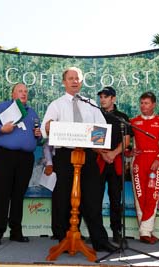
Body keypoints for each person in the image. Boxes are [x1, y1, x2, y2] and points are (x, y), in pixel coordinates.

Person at [40, 67, 117, 252]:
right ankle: (64, 238)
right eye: (71, 78)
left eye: (77, 79)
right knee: (64, 197)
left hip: (88, 155)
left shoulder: (90, 104)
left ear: (81, 82)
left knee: (92, 197)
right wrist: (50, 126)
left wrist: (101, 149)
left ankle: (99, 240)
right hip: (65, 156)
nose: (74, 81)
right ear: (64, 82)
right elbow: (45, 128)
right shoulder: (56, 105)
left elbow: (101, 129)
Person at [0, 83, 41, 245]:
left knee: (18, 196)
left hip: (26, 159)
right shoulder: (3, 108)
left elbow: (39, 137)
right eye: (20, 91)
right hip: (4, 156)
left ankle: (16, 231)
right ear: (13, 94)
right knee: (2, 194)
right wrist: (2, 128)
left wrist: (38, 134)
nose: (23, 94)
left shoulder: (32, 113)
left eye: (26, 91)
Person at [96, 86, 132, 244]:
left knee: (116, 199)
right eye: (101, 97)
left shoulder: (122, 117)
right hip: (99, 160)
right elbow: (92, 139)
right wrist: (103, 154)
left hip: (115, 161)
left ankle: (117, 231)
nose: (103, 99)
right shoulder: (95, 115)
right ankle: (97, 232)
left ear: (113, 99)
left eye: (106, 96)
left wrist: (112, 154)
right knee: (94, 198)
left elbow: (126, 141)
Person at [130, 92, 159, 244]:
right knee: (140, 196)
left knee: (152, 196)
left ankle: (146, 231)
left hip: (155, 163)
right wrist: (129, 151)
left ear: (154, 104)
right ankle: (145, 232)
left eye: (146, 103)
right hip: (138, 162)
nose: (143, 106)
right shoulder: (133, 122)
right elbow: (126, 143)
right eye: (141, 103)